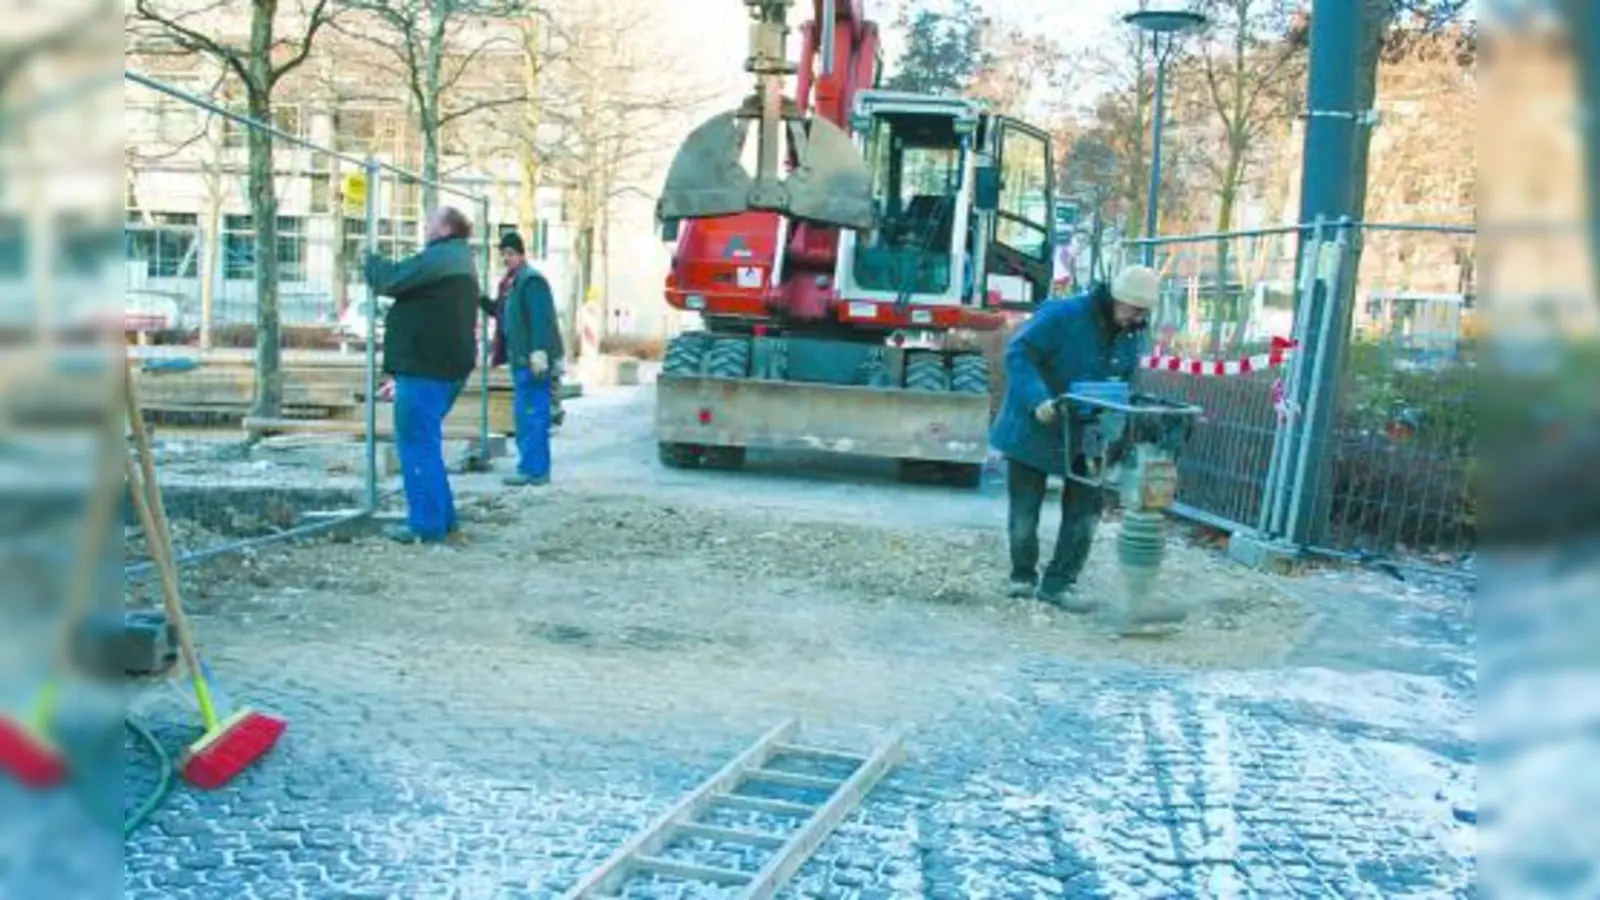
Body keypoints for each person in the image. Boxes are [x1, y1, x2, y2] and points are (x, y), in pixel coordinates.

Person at [989, 264, 1157, 609]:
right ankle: (1022, 576)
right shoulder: (1064, 315)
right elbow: (1018, 353)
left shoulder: (1130, 333)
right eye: (1135, 310)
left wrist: (1122, 420)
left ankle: (1059, 583)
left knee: (1085, 511)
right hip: (1036, 423)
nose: (1138, 319)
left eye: (1144, 313)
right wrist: (1037, 400)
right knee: (1025, 512)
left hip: (1088, 431)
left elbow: (1123, 379)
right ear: (1117, 299)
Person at [364, 206, 480, 544]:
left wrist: (370, 259)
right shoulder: (456, 258)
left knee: (416, 444)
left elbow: (391, 279)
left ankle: (426, 526)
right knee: (426, 444)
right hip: (441, 366)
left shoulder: (441, 257)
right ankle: (443, 520)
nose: (425, 225)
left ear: (445, 228)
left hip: (426, 368)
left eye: (430, 221)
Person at [492, 231, 564, 486]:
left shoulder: (531, 281)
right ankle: (529, 467)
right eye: (503, 254)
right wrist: (482, 303)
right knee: (525, 417)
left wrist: (539, 351)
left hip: (532, 362)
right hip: (521, 360)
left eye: (510, 253)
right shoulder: (513, 283)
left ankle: (536, 471)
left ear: (521, 254)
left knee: (533, 416)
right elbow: (506, 315)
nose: (506, 258)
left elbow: (540, 319)